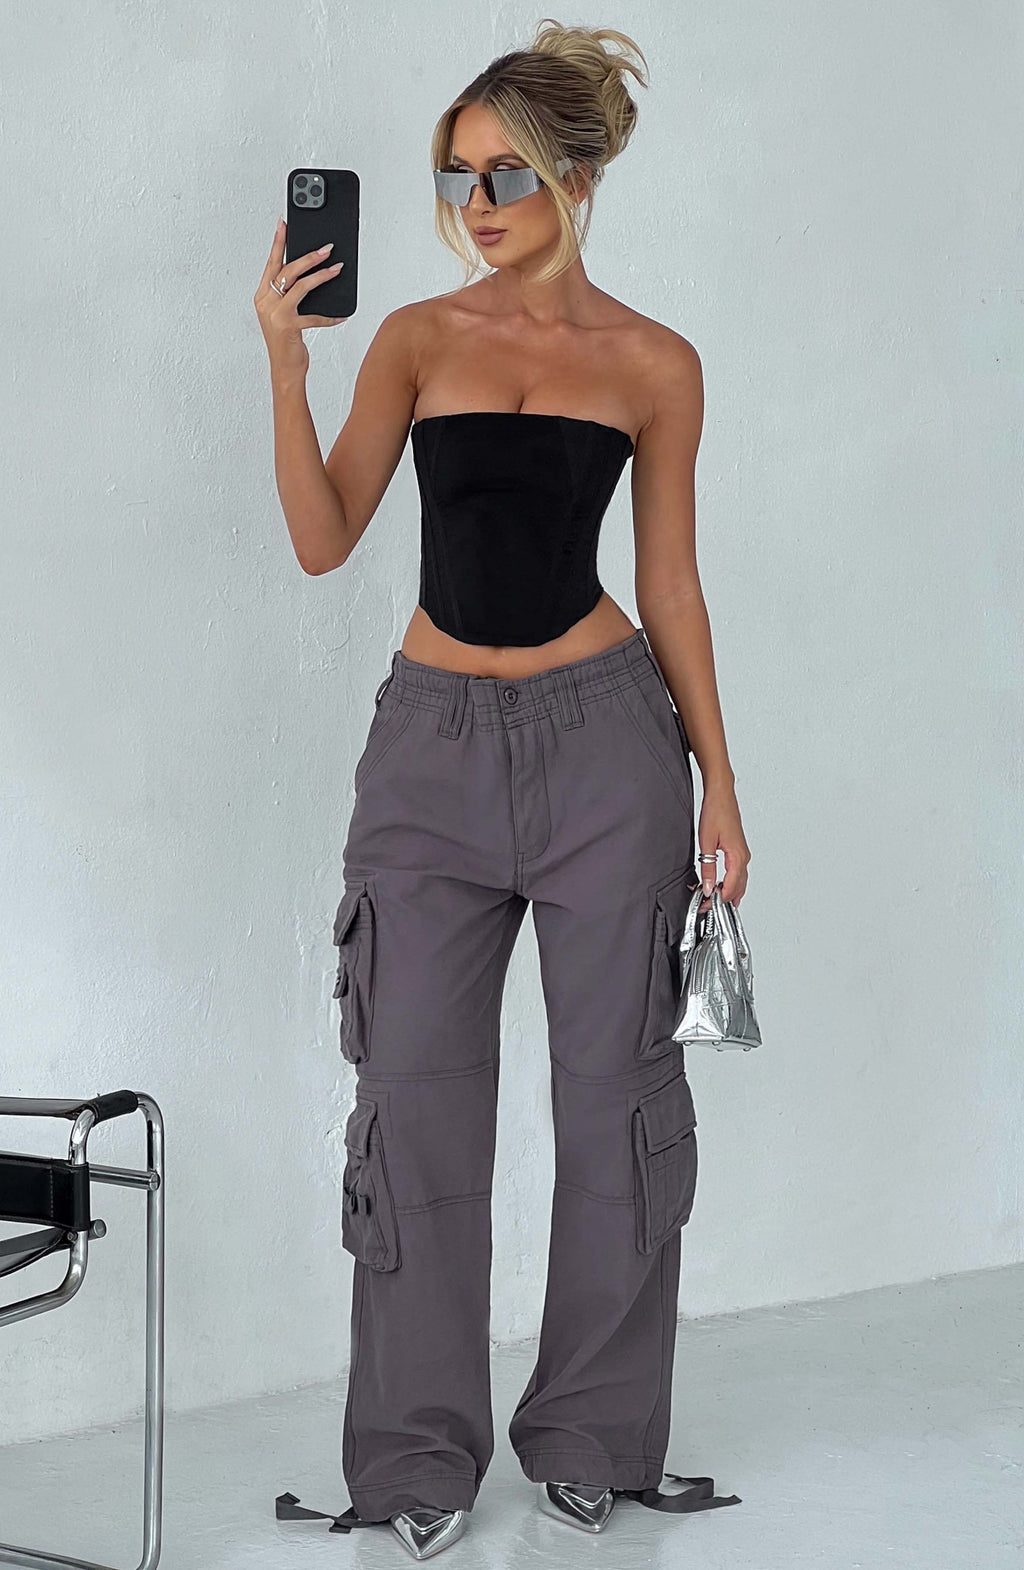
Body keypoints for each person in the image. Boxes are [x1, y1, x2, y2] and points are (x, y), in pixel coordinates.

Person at [255, 18, 749, 1561]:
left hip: (610, 748)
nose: (476, 205)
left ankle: (594, 1435)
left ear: (577, 179)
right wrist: (286, 362)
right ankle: (413, 1458)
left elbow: (671, 583)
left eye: (508, 175)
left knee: (617, 1104)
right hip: (429, 754)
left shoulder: (655, 363)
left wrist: (721, 781)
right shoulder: (414, 337)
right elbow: (324, 537)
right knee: (409, 1107)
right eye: (456, 176)